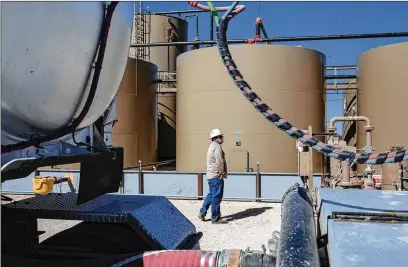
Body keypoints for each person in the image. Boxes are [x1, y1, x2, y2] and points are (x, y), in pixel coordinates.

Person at [198, 128, 228, 224]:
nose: (222, 138)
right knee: (217, 197)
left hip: (211, 176)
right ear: (216, 138)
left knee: (211, 195)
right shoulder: (217, 147)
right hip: (216, 176)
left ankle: (202, 212)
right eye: (220, 136)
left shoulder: (211, 146)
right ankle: (215, 218)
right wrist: (222, 173)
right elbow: (220, 161)